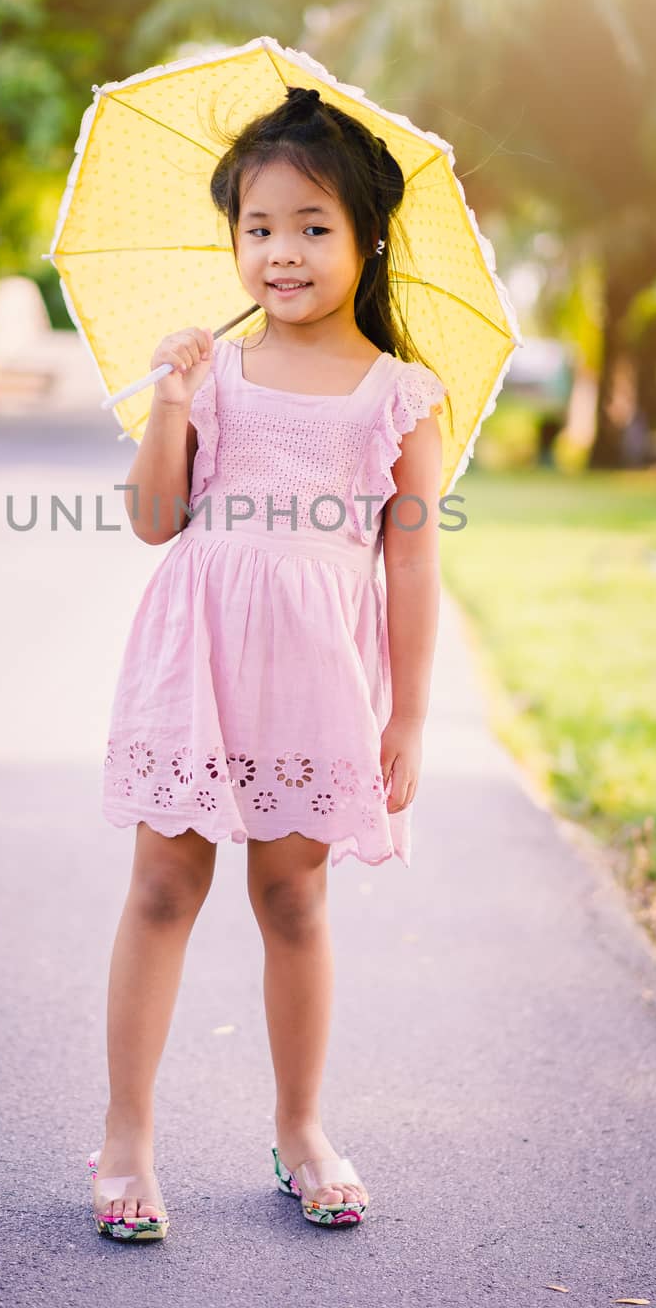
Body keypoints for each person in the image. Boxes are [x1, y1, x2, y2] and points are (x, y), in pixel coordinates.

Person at [88, 84, 447, 1242]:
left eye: (310, 226)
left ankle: (300, 1126)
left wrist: (407, 720)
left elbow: (410, 568)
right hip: (197, 654)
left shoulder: (401, 393)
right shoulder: (216, 373)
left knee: (292, 896)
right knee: (160, 889)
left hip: (316, 672)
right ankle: (127, 1135)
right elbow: (152, 520)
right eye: (257, 227)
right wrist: (172, 402)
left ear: (364, 237)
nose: (279, 251)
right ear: (230, 239)